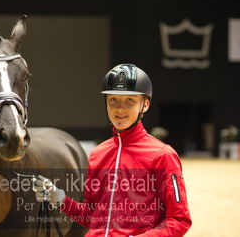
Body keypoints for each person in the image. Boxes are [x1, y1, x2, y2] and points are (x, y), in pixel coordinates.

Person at [33, 64, 192, 236]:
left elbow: (179, 220)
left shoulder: (163, 155)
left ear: (145, 105)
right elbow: (92, 218)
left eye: (129, 100)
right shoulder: (97, 154)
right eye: (113, 100)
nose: (120, 108)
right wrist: (60, 199)